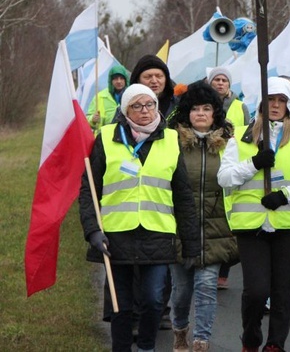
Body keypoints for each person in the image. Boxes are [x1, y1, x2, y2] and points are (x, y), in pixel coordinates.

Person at [78, 83, 200, 352]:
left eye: (150, 105)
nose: (144, 111)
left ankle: (146, 347)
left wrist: (191, 243)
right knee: (120, 305)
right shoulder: (108, 137)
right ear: (125, 110)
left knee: (154, 300)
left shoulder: (170, 140)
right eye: (137, 106)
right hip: (115, 234)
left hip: (157, 233)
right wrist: (92, 231)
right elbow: (89, 189)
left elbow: (183, 195)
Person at [217, 77, 290, 352]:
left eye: (281, 101)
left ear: (289, 106)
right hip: (251, 225)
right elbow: (225, 178)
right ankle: (251, 338)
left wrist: (285, 196)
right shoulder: (241, 136)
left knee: (282, 292)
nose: (275, 105)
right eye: (271, 100)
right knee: (256, 291)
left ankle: (275, 344)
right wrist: (253, 163)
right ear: (261, 103)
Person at [168, 81, 239, 352]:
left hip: (216, 228)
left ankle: (201, 341)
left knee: (207, 286)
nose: (200, 113)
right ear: (186, 112)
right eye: (195, 108)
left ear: (215, 113)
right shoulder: (171, 144)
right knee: (182, 290)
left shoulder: (229, 145)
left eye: (206, 108)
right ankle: (180, 330)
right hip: (180, 228)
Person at [207, 66, 249, 291]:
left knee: (226, 216)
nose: (220, 83)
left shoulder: (239, 106)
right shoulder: (204, 104)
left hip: (231, 162)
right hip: (208, 161)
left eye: (224, 80)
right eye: (217, 79)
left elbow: (247, 133)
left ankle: (223, 269)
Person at [130, 55, 180, 123]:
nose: (154, 81)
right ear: (138, 80)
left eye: (159, 76)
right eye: (148, 77)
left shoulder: (179, 105)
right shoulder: (127, 106)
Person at [87, 65, 129, 133]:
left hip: (125, 138)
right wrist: (92, 119)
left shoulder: (132, 96)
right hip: (103, 138)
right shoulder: (100, 96)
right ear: (110, 80)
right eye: (115, 78)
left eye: (121, 78)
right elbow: (86, 120)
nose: (119, 81)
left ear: (125, 80)